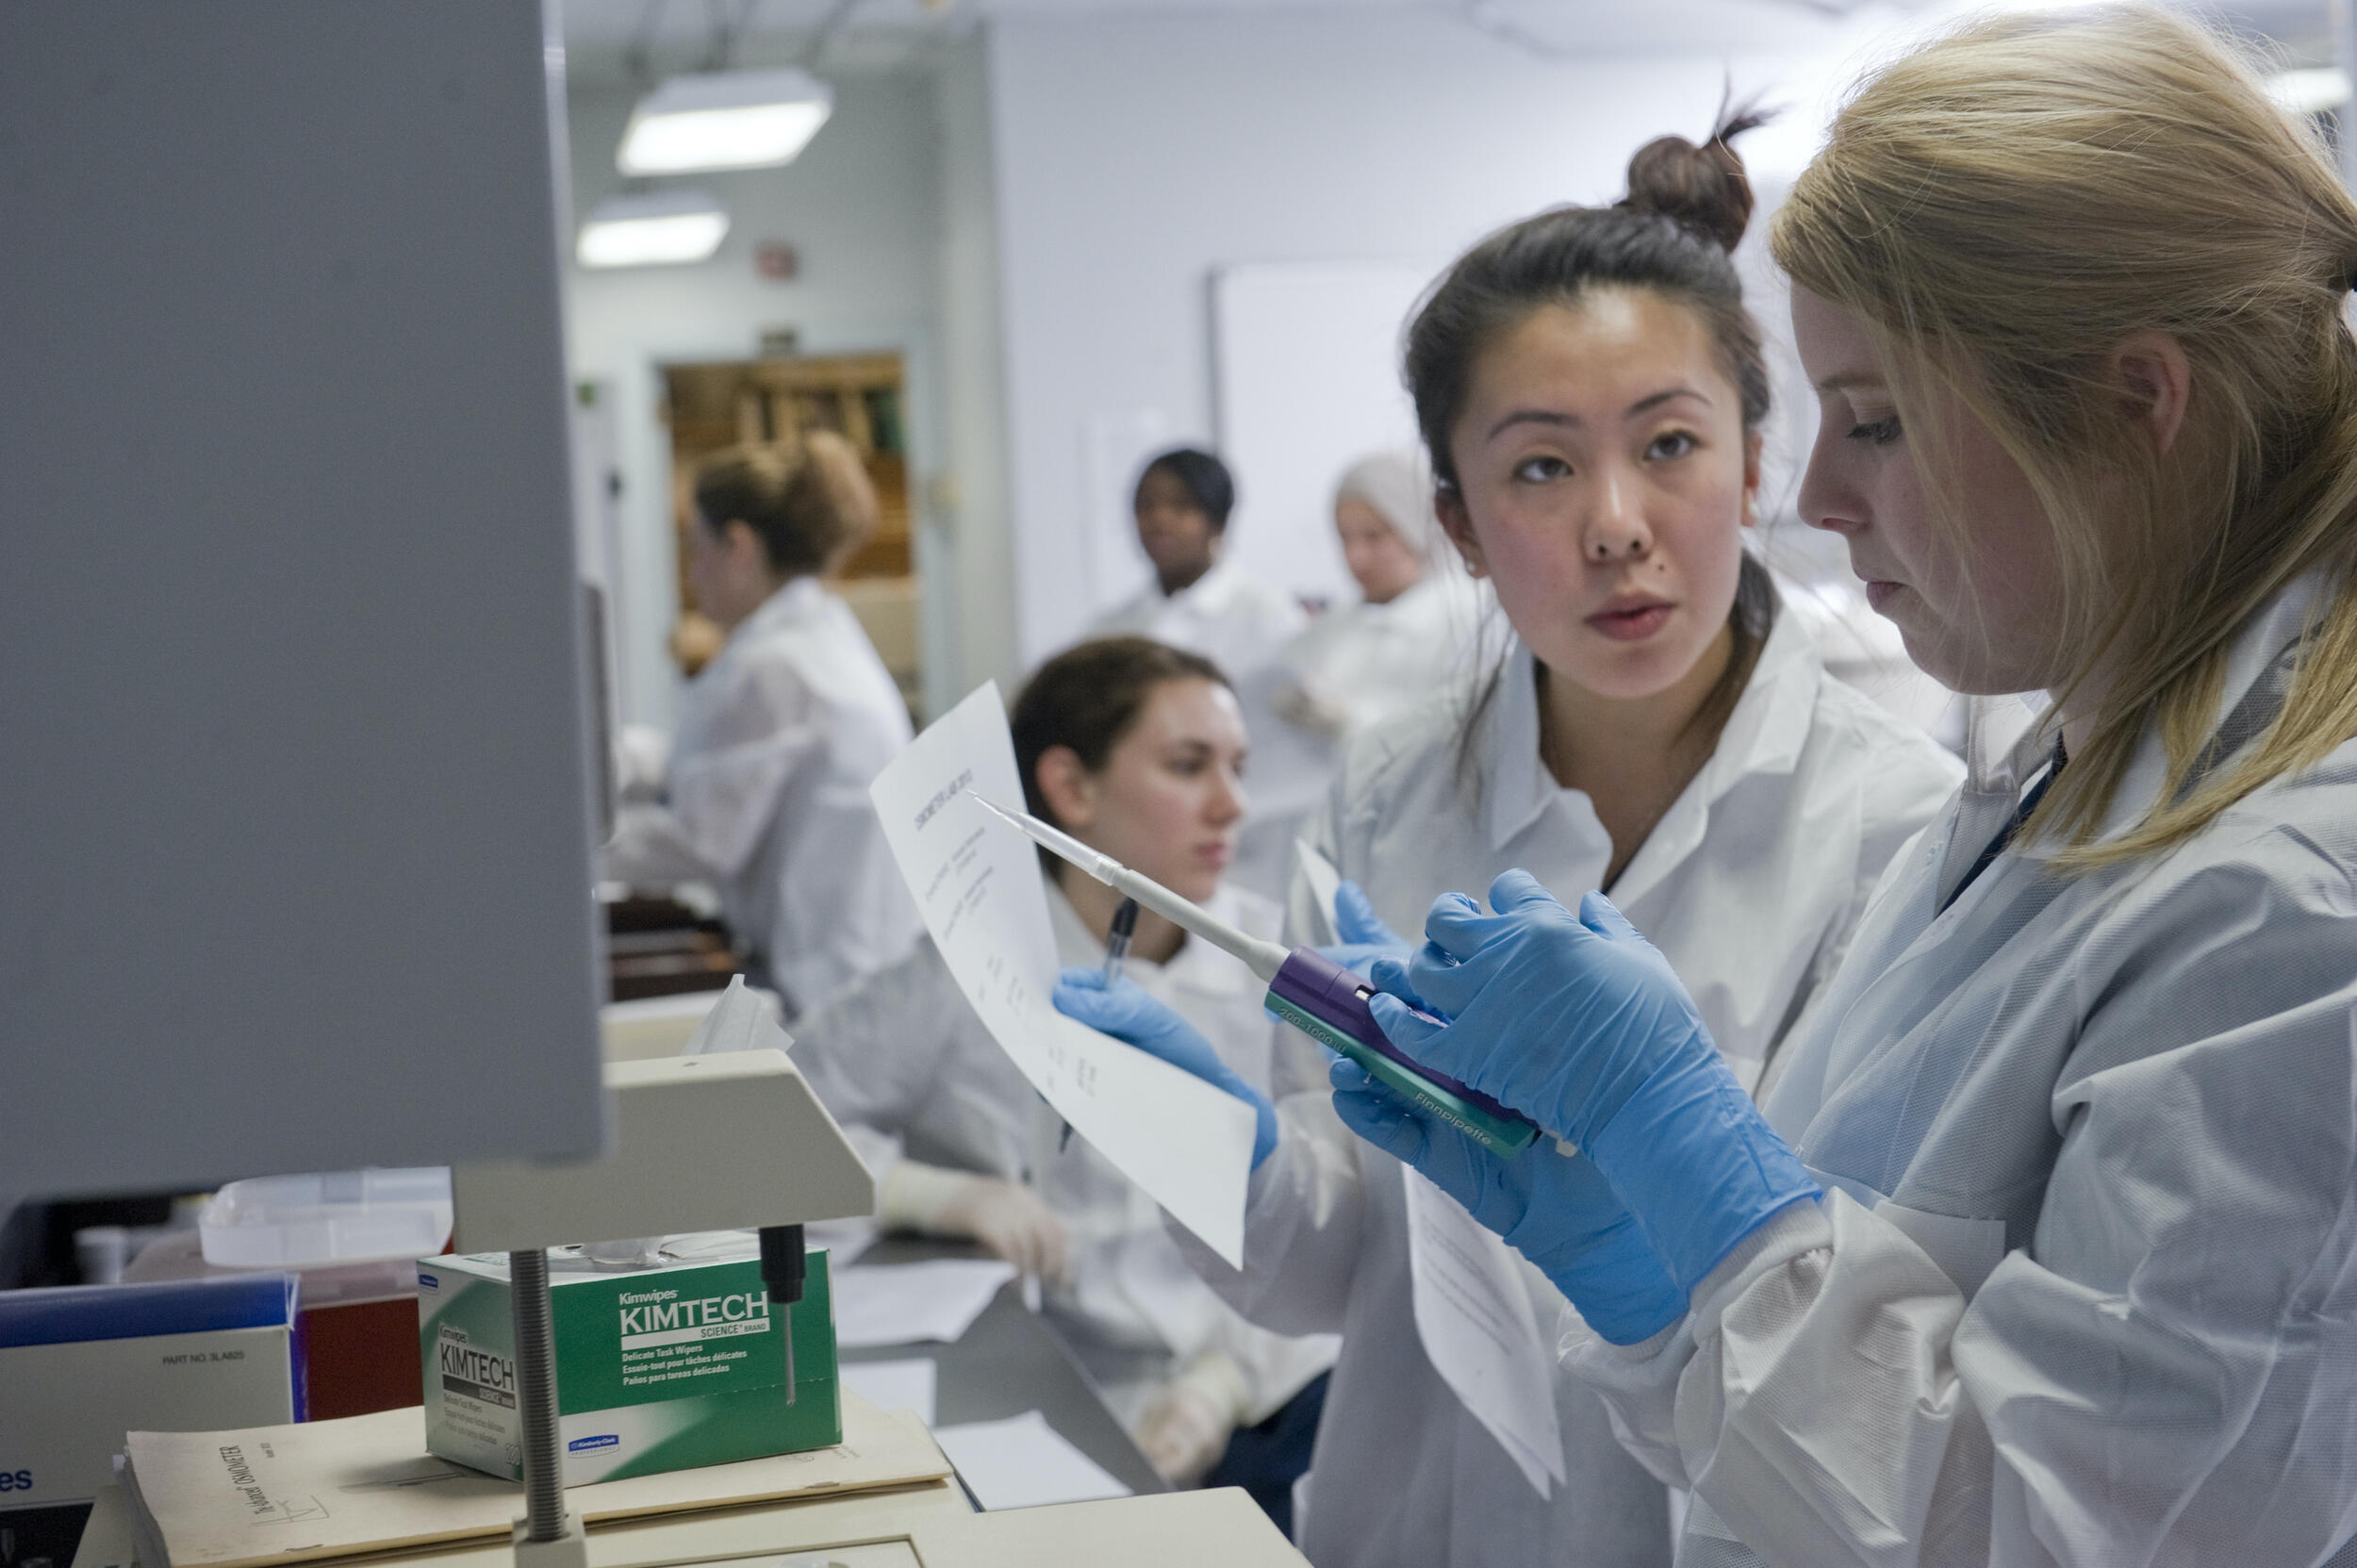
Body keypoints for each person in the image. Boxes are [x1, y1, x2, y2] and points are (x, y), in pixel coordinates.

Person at [1288, 11, 2357, 1563]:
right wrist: (1670, 1290)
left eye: (1877, 420)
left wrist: (1706, 1182)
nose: (1818, 498)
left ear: (2137, 404)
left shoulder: (2295, 913)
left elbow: (2076, 1534)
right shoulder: (2080, 773)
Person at [1058, 117, 1963, 1566]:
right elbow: (1333, 1263)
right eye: (1540, 469)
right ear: (1460, 526)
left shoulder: (1898, 826)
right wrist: (1205, 1148)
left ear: (1751, 467)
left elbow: (1887, 1361)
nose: (1617, 525)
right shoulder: (1393, 790)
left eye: (1669, 444)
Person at [792, 637, 1337, 1526]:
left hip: (1253, 1389)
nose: (1233, 804)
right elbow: (769, 1123)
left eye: (1238, 767)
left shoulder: (1271, 969)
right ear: (1071, 789)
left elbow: (1340, 1222)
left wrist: (1221, 1381)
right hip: (1043, 1395)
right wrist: (928, 1192)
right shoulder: (961, 973)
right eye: (1187, 766)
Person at [602, 434, 920, 1022]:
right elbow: (722, 763)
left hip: (824, 982)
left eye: (696, 549)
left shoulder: (775, 665)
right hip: (852, 961)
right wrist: (620, 758)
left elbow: (701, 841)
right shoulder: (813, 634)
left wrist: (577, 845)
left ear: (739, 546)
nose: (693, 574)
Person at [1273, 450, 1485, 744]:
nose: (1355, 558)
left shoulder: (1473, 621)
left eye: (1374, 536)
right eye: (1345, 537)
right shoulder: (1331, 627)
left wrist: (1351, 723)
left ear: (1419, 529)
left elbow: (1463, 740)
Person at [1092, 447, 1306, 679]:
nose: (1159, 520)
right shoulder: (1110, 630)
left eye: (1181, 506)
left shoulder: (1271, 619)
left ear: (1218, 522)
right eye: (1146, 505)